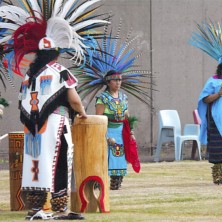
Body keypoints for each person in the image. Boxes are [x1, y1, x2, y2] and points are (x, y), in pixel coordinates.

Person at [19, 41, 87, 220]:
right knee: (59, 162)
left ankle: (35, 207)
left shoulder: (29, 74)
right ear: (56, 54)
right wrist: (82, 112)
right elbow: (74, 100)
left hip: (31, 126)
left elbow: (22, 102)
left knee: (36, 163)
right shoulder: (59, 70)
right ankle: (60, 207)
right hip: (55, 123)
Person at [189, 20, 222, 185]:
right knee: (218, 149)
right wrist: (219, 94)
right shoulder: (213, 81)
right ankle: (218, 176)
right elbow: (204, 99)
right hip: (216, 120)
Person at [95, 70, 136, 190]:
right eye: (115, 80)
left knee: (119, 156)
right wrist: (105, 136)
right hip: (107, 130)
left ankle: (116, 181)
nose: (118, 82)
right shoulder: (102, 98)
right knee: (104, 156)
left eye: (120, 80)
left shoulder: (124, 97)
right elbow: (99, 118)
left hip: (121, 131)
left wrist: (131, 132)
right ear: (108, 82)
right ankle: (98, 182)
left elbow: (127, 115)